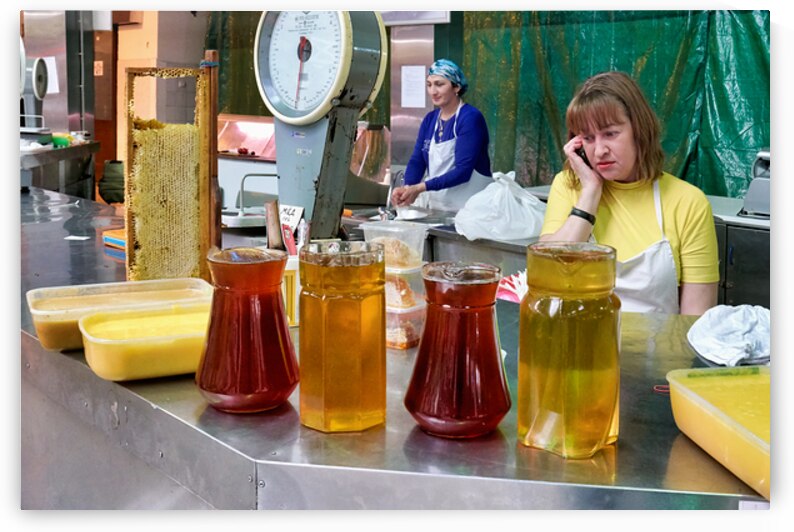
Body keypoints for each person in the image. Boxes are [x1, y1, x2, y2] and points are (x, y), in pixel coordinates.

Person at [540, 71, 719, 315]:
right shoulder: (569, 186)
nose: (599, 150)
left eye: (610, 133)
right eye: (588, 138)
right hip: (579, 346)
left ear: (639, 130)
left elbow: (695, 319)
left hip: (658, 351)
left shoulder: (687, 202)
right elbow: (548, 275)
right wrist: (590, 192)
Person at [391, 59, 492, 212]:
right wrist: (407, 188)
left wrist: (421, 188)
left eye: (439, 84)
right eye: (429, 84)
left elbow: (463, 172)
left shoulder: (470, 118)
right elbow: (417, 160)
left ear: (456, 87)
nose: (433, 91)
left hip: (472, 210)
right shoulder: (430, 119)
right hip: (439, 209)